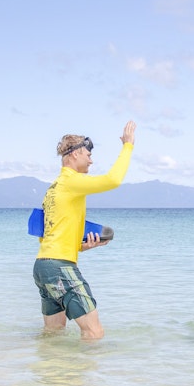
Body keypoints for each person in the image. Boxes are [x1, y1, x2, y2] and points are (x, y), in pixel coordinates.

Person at [33, 121, 136, 340]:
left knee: (53, 333)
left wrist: (81, 247)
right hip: (60, 266)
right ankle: (85, 372)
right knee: (94, 331)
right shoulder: (71, 181)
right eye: (88, 154)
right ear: (74, 154)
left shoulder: (53, 188)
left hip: (43, 265)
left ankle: (52, 372)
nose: (91, 159)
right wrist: (128, 146)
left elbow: (47, 235)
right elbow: (113, 180)